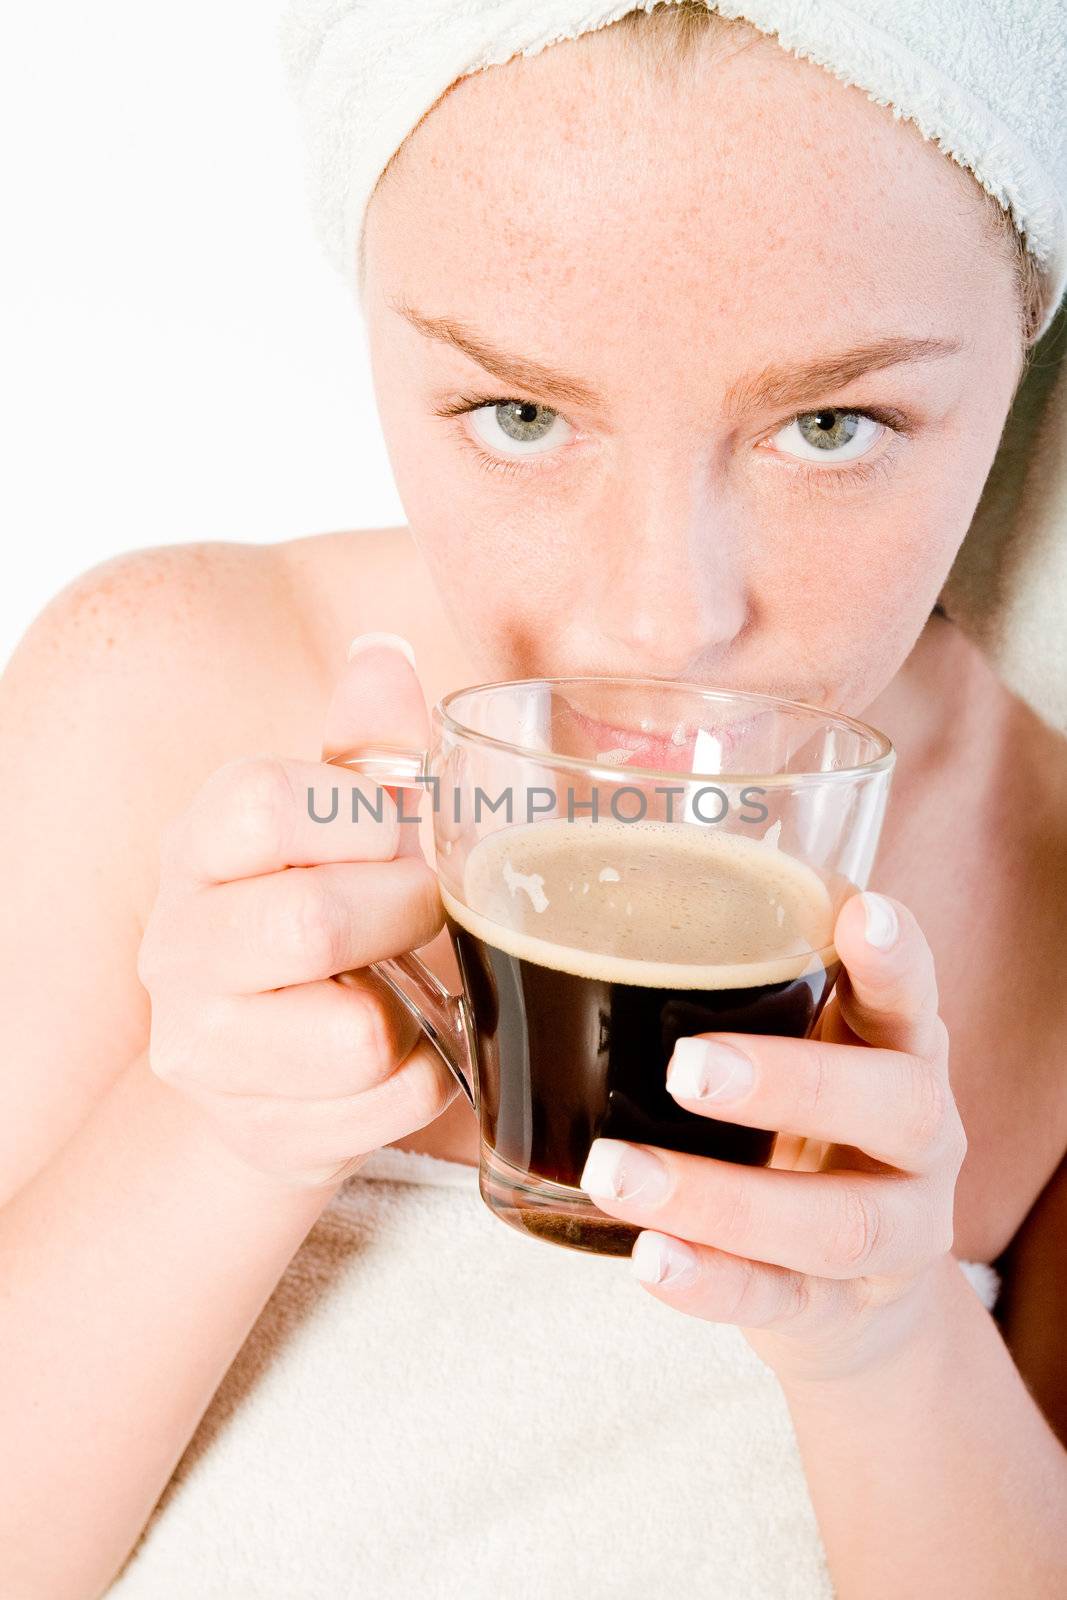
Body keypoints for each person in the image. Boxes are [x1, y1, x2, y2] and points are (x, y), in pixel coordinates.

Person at [1, 3, 1065, 1595]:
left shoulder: (1046, 882)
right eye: (520, 416)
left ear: (1022, 350)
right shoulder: (155, 694)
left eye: (834, 427)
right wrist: (221, 1133)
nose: (663, 622)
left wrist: (887, 1345)